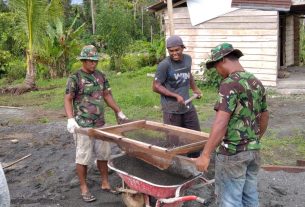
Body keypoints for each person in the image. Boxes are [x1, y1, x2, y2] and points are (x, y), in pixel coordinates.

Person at [195, 43, 269, 207]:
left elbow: (221, 122)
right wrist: (253, 141)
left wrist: (205, 154)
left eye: (215, 67)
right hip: (253, 152)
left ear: (222, 61)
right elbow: (264, 116)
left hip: (232, 153)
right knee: (250, 197)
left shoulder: (229, 84)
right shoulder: (255, 81)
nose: (217, 71)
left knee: (230, 201)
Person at [64, 45, 128, 202]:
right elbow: (68, 99)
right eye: (91, 61)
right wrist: (70, 119)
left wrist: (118, 111)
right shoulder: (75, 78)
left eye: (95, 61)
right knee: (83, 157)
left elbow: (107, 95)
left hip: (100, 124)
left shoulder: (101, 76)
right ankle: (84, 187)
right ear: (84, 61)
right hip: (83, 125)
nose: (94, 64)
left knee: (104, 154)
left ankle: (105, 182)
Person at [152, 35, 202, 156]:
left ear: (182, 48)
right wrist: (175, 96)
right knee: (174, 141)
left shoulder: (187, 59)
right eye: (171, 51)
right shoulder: (165, 65)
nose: (174, 53)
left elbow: (188, 74)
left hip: (187, 106)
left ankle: (194, 162)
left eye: (177, 50)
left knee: (195, 136)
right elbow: (156, 86)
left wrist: (195, 89)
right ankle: (176, 165)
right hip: (171, 109)